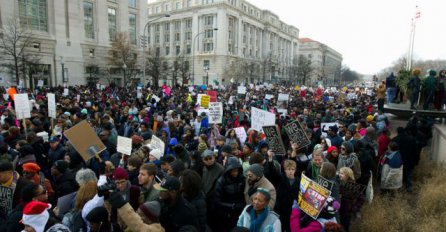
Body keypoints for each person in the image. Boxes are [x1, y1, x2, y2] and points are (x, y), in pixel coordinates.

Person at [213, 156, 246, 232]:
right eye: (233, 171)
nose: (235, 173)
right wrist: (232, 206)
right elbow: (217, 201)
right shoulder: (221, 181)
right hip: (226, 214)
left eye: (237, 170)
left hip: (239, 212)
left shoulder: (242, 179)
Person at [274, 159, 300, 232]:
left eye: (292, 169)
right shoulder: (280, 178)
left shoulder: (298, 180)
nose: (291, 171)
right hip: (281, 209)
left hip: (292, 211)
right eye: (288, 169)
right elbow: (271, 172)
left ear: (295, 170)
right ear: (285, 170)